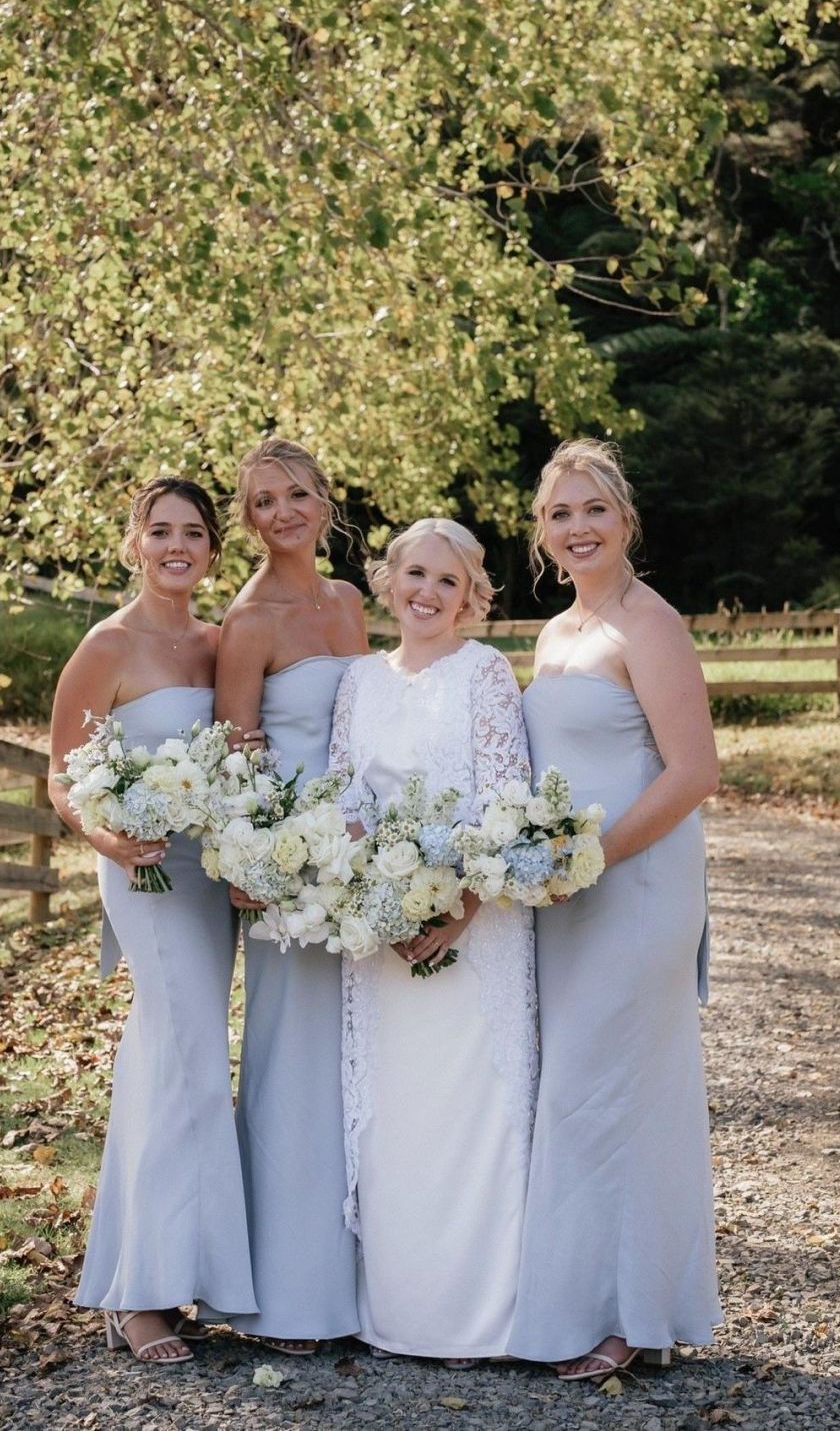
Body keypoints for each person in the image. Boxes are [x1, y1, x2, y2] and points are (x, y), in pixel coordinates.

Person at [506, 438, 723, 1381]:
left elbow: (695, 771)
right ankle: (585, 1299)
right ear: (542, 535)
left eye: (593, 509)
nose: (577, 527)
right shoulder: (556, 634)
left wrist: (592, 857)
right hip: (569, 893)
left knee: (618, 1087)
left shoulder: (652, 624)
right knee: (578, 1087)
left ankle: (630, 1315)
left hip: (635, 887)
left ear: (626, 519)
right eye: (560, 514)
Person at [48, 476, 257, 1365]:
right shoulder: (108, 646)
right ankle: (142, 1295)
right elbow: (60, 775)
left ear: (213, 549)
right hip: (140, 873)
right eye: (161, 530)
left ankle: (172, 1272)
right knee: (189, 1055)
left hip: (208, 875)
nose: (179, 545)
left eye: (195, 533)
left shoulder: (219, 644)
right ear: (134, 542)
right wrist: (104, 830)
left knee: (173, 1053)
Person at [329, 519, 538, 1366]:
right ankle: (401, 1312)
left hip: (477, 928)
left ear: (471, 598)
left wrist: (453, 910)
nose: (427, 592)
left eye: (447, 582)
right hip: (380, 935)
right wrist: (377, 900)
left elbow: (507, 805)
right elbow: (344, 795)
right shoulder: (356, 680)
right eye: (415, 574)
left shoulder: (486, 675)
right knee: (396, 1113)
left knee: (474, 1110)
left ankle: (486, 1320)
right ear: (389, 581)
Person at [214, 438, 368, 1353]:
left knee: (356, 1064)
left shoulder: (349, 601)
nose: (282, 512)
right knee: (290, 1063)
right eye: (263, 501)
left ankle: (362, 1286)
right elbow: (240, 753)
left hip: (363, 873)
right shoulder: (251, 619)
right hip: (286, 874)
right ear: (248, 518)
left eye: (297, 494)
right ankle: (283, 1295)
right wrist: (270, 859)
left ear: (324, 498)